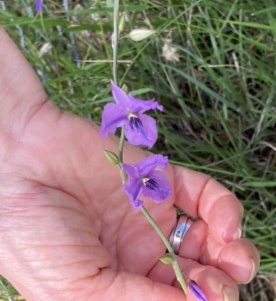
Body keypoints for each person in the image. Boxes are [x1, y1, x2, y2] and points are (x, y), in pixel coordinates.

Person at [0, 27, 259, 301]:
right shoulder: (123, 143)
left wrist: (19, 139)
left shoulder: (134, 148)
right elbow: (134, 175)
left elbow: (149, 129)